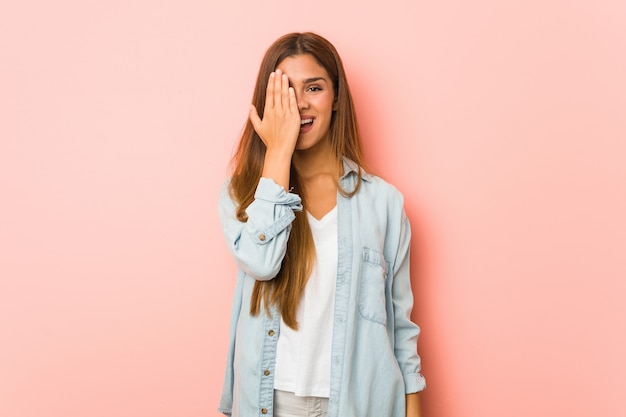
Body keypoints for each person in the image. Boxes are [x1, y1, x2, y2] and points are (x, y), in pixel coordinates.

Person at [218, 32, 425, 417]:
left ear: (336, 98)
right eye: (284, 89)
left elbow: (401, 330)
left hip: (360, 402)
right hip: (270, 401)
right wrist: (278, 151)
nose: (298, 103)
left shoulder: (384, 203)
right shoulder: (243, 194)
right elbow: (262, 262)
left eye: (314, 87)